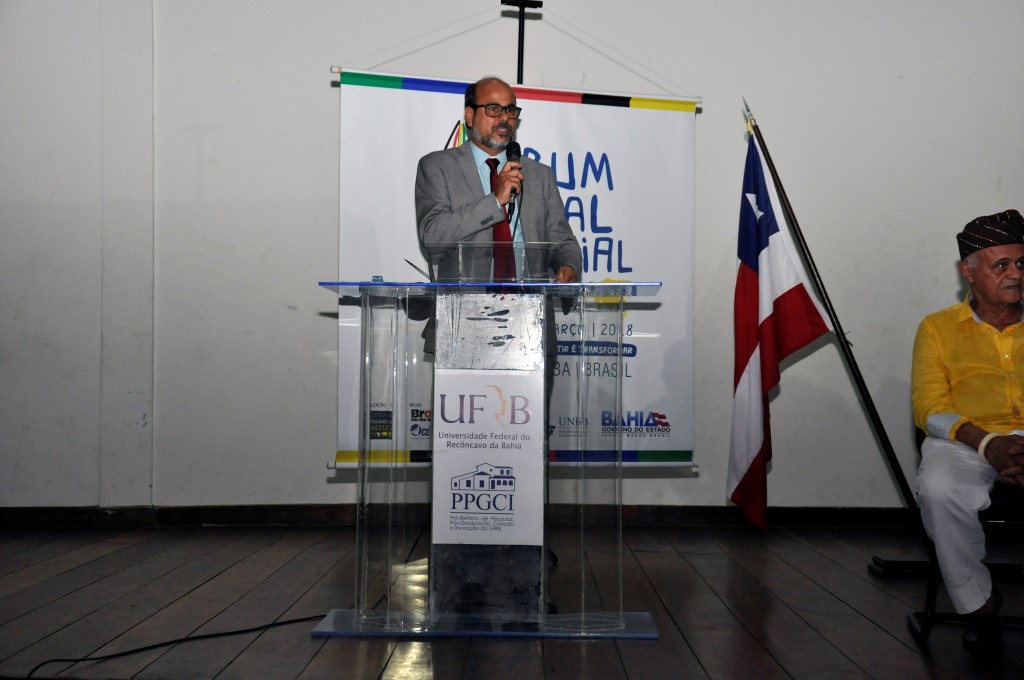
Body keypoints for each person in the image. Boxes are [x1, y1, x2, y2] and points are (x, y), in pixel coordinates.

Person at [913, 208, 1024, 652]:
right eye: (1002, 265)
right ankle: (980, 605)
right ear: (968, 271)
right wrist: (991, 444)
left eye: (1022, 263)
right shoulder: (937, 328)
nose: (1016, 274)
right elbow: (929, 407)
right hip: (967, 439)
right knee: (939, 489)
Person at [415, 76, 581, 284]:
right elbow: (432, 235)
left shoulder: (540, 175)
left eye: (510, 110)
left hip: (530, 301)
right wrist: (494, 201)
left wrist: (568, 264)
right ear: (470, 115)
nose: (504, 118)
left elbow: (563, 240)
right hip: (465, 302)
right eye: (494, 109)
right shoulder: (437, 166)